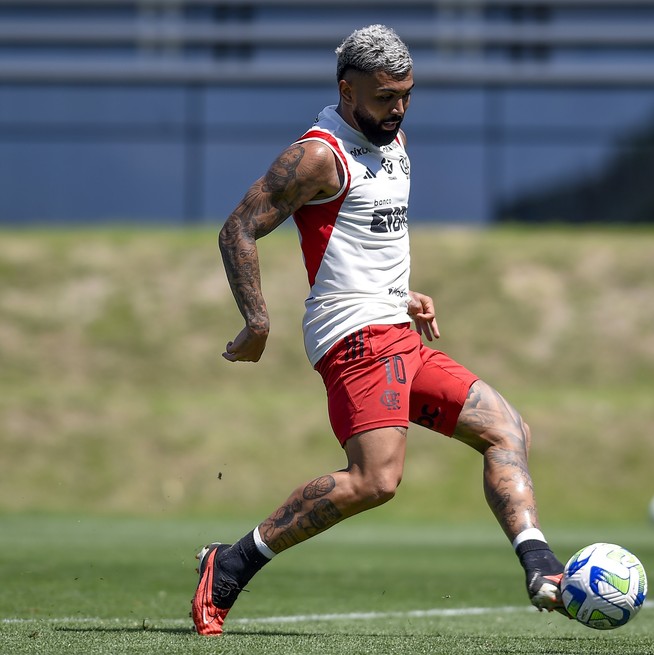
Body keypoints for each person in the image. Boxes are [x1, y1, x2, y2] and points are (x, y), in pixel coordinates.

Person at [190, 24, 566, 636]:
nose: (398, 109)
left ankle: (540, 565)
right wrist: (257, 321)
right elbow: (238, 229)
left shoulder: (393, 140)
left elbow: (365, 237)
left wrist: (403, 293)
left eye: (407, 95)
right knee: (375, 481)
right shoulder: (317, 155)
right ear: (347, 90)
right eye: (385, 97)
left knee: (507, 428)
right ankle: (229, 566)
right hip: (356, 338)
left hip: (397, 329)